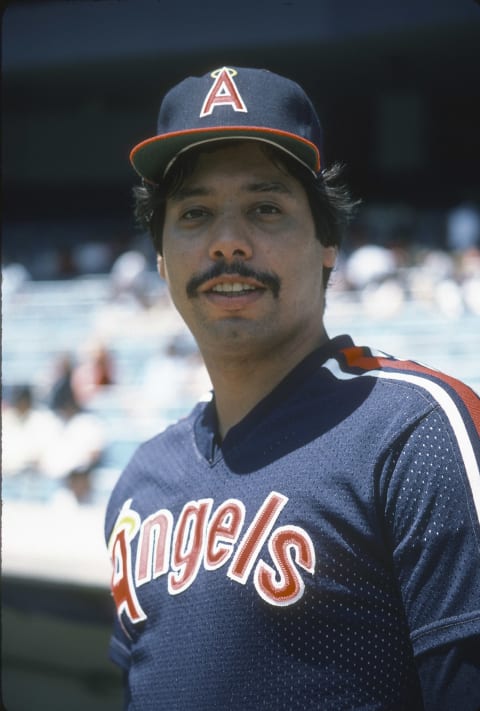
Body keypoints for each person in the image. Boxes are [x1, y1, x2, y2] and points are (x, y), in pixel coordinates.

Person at [105, 66, 480, 710]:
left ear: (328, 239)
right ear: (162, 256)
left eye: (265, 207)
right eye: (194, 213)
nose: (227, 243)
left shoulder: (413, 434)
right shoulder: (139, 484)